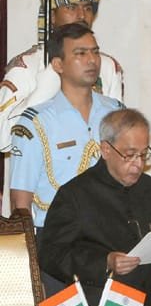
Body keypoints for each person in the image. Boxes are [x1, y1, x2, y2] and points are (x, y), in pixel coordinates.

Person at [37, 109, 151, 306]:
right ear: (105, 150)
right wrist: (105, 261)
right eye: (130, 154)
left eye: (144, 155)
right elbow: (51, 254)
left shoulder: (150, 189)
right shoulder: (75, 194)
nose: (138, 164)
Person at [1, 0, 123, 152]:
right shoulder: (27, 66)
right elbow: (3, 140)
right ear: (52, 14)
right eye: (71, 7)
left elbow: (117, 138)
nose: (82, 16)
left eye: (88, 7)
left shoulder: (107, 67)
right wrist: (42, 92)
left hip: (93, 179)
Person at [9, 23, 123, 229]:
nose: (92, 60)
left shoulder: (116, 113)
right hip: (59, 241)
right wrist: (27, 257)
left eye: (95, 52)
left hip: (111, 233)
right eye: (80, 53)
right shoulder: (34, 124)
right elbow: (20, 203)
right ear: (58, 65)